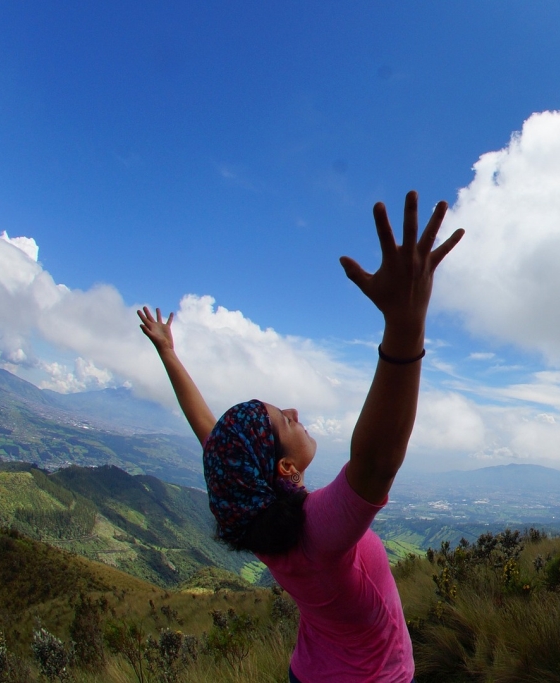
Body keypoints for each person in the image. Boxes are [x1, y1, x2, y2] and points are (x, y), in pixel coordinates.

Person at [138, 191, 463, 683]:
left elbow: (214, 439)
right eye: (284, 421)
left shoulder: (259, 518)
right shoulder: (318, 531)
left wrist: (169, 354)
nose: (293, 411)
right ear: (285, 468)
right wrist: (405, 322)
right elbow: (376, 461)